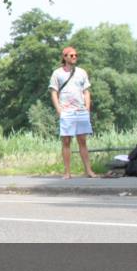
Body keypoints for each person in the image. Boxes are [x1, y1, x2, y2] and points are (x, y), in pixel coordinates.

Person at [49, 46, 96, 179]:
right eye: (71, 55)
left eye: (76, 55)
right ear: (64, 57)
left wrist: (87, 108)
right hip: (66, 111)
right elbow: (53, 92)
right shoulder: (57, 73)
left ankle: (89, 171)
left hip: (80, 110)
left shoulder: (81, 72)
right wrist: (58, 109)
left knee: (82, 141)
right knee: (66, 141)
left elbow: (86, 91)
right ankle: (67, 172)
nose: (74, 57)